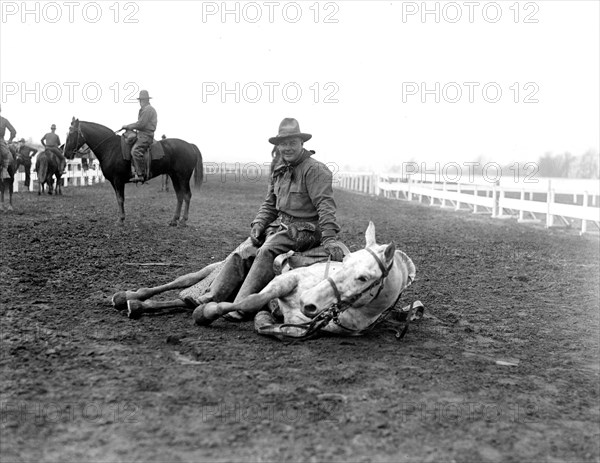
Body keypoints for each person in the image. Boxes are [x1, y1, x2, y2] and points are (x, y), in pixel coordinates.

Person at [218, 117, 346, 321]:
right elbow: (270, 203)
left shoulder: (315, 170)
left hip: (308, 229)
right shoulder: (280, 170)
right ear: (278, 147)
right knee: (245, 250)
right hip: (282, 226)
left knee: (268, 250)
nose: (287, 148)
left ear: (302, 143)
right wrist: (259, 223)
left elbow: (325, 205)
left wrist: (329, 237)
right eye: (283, 144)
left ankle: (241, 306)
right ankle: (212, 296)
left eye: (292, 143)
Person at [121, 90, 157, 183]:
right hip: (141, 134)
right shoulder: (144, 109)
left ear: (144, 100)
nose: (140, 102)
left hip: (146, 136)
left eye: (141, 100)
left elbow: (141, 124)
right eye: (140, 100)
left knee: (135, 151)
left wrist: (128, 126)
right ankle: (132, 170)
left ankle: (141, 174)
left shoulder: (148, 109)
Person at [0, 105, 17, 180]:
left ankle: (4, 171)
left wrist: (10, 140)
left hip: (0, 140)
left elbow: (13, 131)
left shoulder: (4, 120)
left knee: (5, 153)